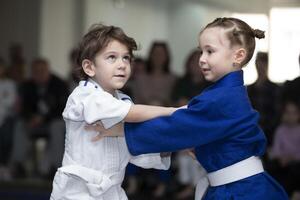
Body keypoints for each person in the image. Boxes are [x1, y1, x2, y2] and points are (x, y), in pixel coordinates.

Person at [90, 17, 289, 199]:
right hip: (237, 186)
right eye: (201, 50)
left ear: (238, 55)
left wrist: (121, 130)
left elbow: (175, 127)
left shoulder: (222, 98)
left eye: (210, 51)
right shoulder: (225, 94)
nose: (202, 58)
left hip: (242, 191)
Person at [50, 24, 178, 200]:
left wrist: (170, 144)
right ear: (89, 67)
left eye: (126, 58)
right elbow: (132, 114)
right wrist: (174, 112)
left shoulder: (123, 100)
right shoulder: (84, 94)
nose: (122, 65)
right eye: (112, 57)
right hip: (77, 192)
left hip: (112, 192)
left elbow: (135, 147)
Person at [269, 101, 300, 198]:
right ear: (283, 114)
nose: (290, 116)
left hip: (296, 163)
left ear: (298, 115)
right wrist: (281, 157)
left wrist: (291, 158)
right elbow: (276, 149)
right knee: (273, 168)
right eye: (288, 113)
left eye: (294, 113)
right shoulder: (280, 130)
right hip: (282, 163)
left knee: (294, 170)